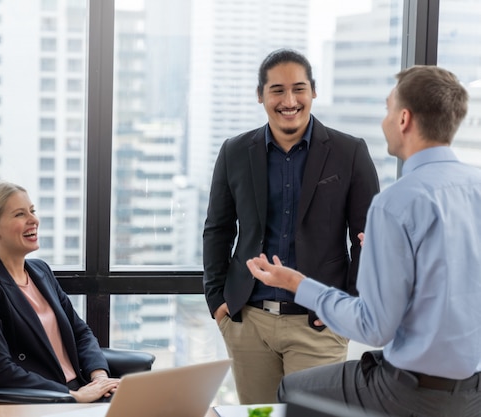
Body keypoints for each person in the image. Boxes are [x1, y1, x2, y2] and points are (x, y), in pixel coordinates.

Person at [246, 65, 481, 416]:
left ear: (404, 119)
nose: (384, 121)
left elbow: (374, 328)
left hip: (411, 391)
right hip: (473, 391)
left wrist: (297, 283)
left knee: (292, 388)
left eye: (388, 110)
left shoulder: (396, 203)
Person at [203, 48, 380, 404]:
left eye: (299, 88)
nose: (289, 100)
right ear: (260, 96)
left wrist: (346, 307)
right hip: (248, 322)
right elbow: (218, 229)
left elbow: (368, 239)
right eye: (277, 90)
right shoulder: (234, 151)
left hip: (319, 324)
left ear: (313, 91)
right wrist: (218, 301)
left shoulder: (350, 151)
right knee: (258, 415)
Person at [0, 180, 120, 403]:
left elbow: (80, 332)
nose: (33, 220)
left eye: (32, 211)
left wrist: (100, 378)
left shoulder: (40, 270)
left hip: (83, 388)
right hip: (48, 400)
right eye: (19, 214)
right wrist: (71, 396)